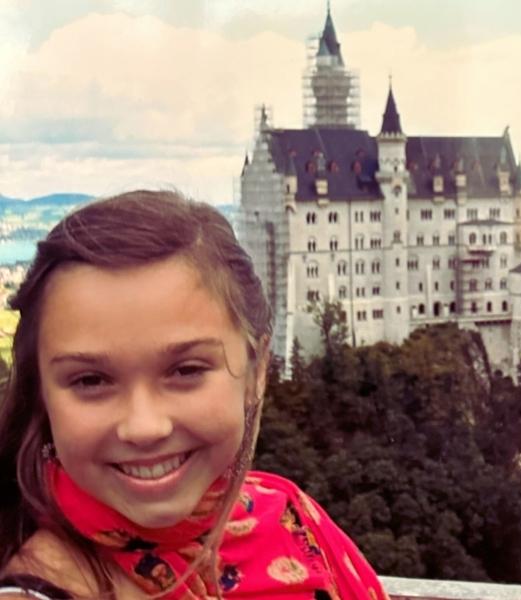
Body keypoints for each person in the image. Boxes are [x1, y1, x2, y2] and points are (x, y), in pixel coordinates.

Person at [0, 191, 387, 599]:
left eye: (185, 370)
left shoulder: (286, 518)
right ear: (41, 394)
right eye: (91, 381)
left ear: (256, 372)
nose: (144, 427)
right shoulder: (35, 589)